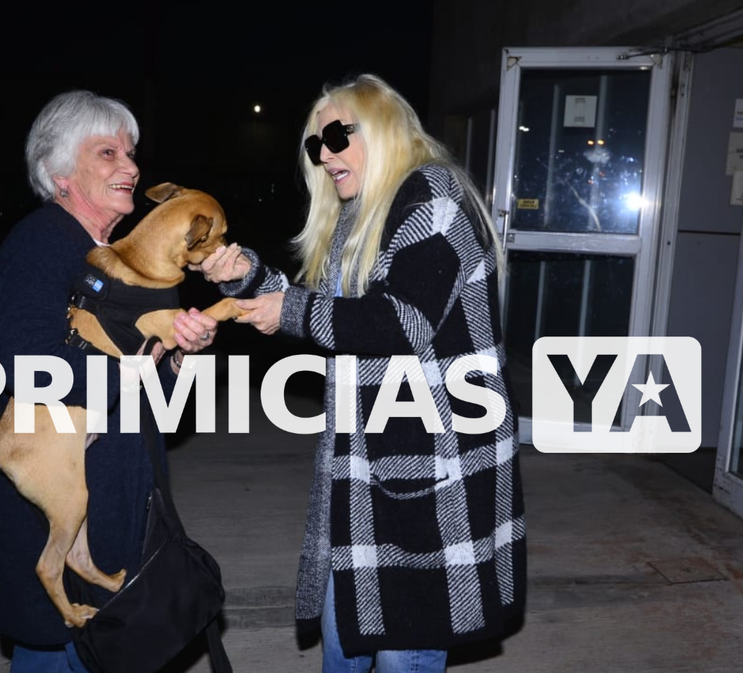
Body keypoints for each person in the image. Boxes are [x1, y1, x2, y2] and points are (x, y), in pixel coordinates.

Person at [196, 74, 526, 672]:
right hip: (366, 463)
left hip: (434, 467)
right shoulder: (361, 213)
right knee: (342, 637)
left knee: (403, 650)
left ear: (381, 129)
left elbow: (402, 320)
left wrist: (290, 310)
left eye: (336, 136)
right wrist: (247, 277)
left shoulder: (433, 197)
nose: (324, 155)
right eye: (314, 145)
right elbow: (336, 313)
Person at [0, 90, 219, 672]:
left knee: (101, 648)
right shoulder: (43, 241)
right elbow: (25, 361)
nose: (130, 166)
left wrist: (180, 357)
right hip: (54, 493)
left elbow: (153, 402)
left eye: (130, 152)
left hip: (110, 494)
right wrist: (134, 366)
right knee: (58, 649)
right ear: (60, 173)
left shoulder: (114, 259)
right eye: (107, 152)